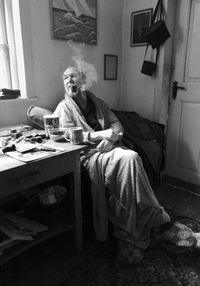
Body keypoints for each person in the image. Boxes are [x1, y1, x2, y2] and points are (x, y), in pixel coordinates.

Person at [53, 66, 171, 264]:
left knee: (130, 159)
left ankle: (135, 230)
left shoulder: (97, 102)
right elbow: (68, 135)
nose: (68, 81)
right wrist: (100, 135)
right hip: (90, 155)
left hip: (110, 148)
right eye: (65, 78)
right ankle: (152, 220)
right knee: (131, 158)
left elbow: (116, 123)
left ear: (83, 80)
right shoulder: (63, 108)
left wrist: (114, 136)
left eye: (72, 76)